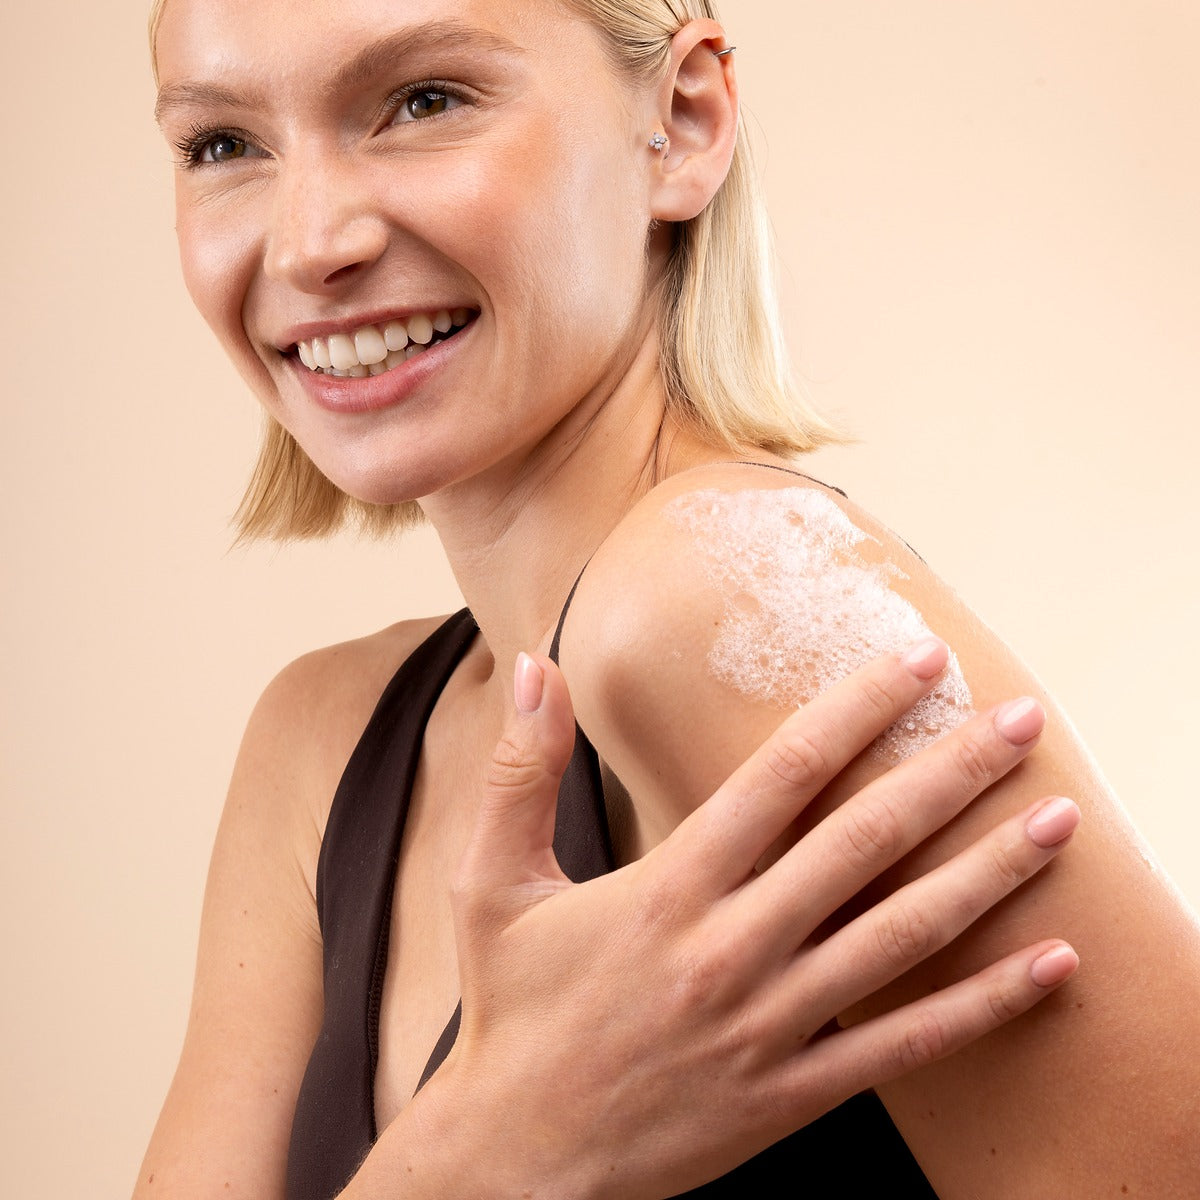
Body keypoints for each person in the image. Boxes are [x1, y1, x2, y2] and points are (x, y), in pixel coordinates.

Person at [138, 0, 1200, 1196]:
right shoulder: (318, 741)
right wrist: (485, 1154)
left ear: (683, 125)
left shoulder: (713, 596)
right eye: (222, 144)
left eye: (424, 101)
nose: (305, 245)